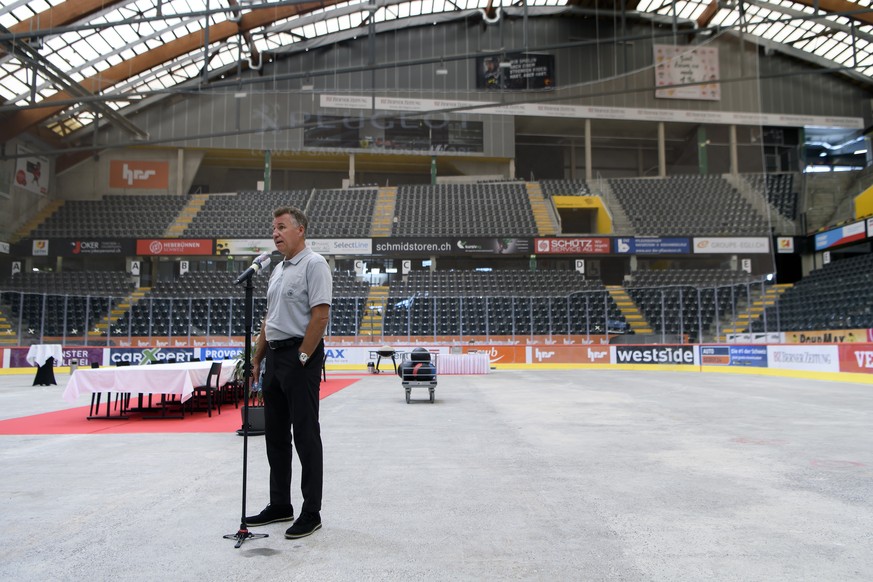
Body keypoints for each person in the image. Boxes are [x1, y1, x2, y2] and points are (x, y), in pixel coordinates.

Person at [245, 206, 332, 539]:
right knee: (276, 436)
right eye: (273, 228)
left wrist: (303, 356)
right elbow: (269, 320)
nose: (275, 233)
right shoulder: (278, 270)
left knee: (306, 435)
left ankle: (312, 511)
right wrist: (256, 358)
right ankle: (280, 504)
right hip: (274, 359)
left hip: (300, 356)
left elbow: (320, 317)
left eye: (281, 227)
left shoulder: (314, 264)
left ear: (301, 230)